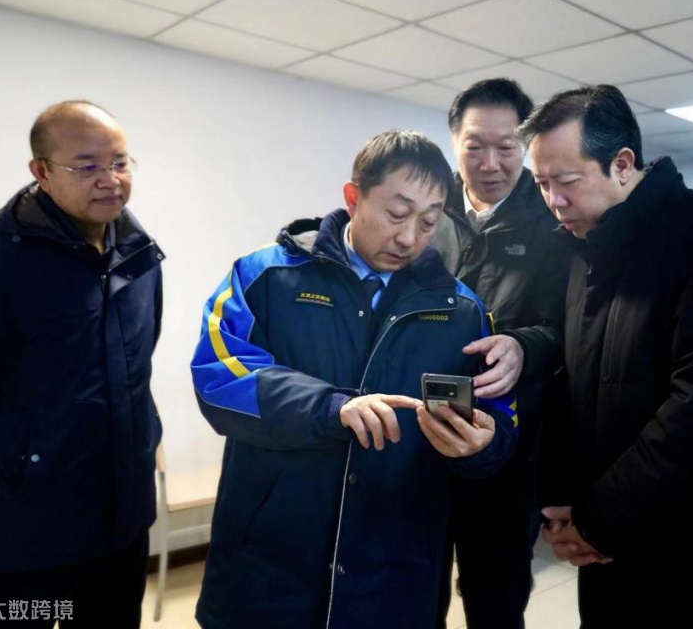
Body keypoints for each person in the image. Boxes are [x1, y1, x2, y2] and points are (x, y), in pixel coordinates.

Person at [190, 130, 518, 629]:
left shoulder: (462, 310)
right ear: (353, 197)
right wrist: (331, 409)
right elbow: (218, 378)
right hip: (272, 560)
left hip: (395, 565)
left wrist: (484, 444)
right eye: (396, 214)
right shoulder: (265, 276)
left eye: (429, 221)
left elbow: (498, 413)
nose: (409, 238)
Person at [523, 85, 693, 627]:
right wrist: (564, 501)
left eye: (566, 181)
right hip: (604, 541)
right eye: (542, 184)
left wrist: (599, 517)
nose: (554, 201)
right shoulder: (585, 248)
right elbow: (578, 387)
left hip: (687, 551)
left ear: (622, 165)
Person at [0, 100, 163, 628]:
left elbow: (137, 370)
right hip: (23, 539)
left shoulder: (140, 260)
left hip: (122, 527)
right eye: (86, 166)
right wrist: (21, 467)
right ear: (41, 172)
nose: (110, 179)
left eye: (120, 162)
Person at [432, 79, 570, 629]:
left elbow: (574, 328)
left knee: (494, 595)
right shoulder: (427, 211)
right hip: (423, 434)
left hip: (509, 442)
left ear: (526, 145)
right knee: (413, 586)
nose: (490, 164)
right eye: (474, 146)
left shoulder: (556, 220)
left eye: (507, 147)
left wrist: (524, 346)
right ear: (454, 143)